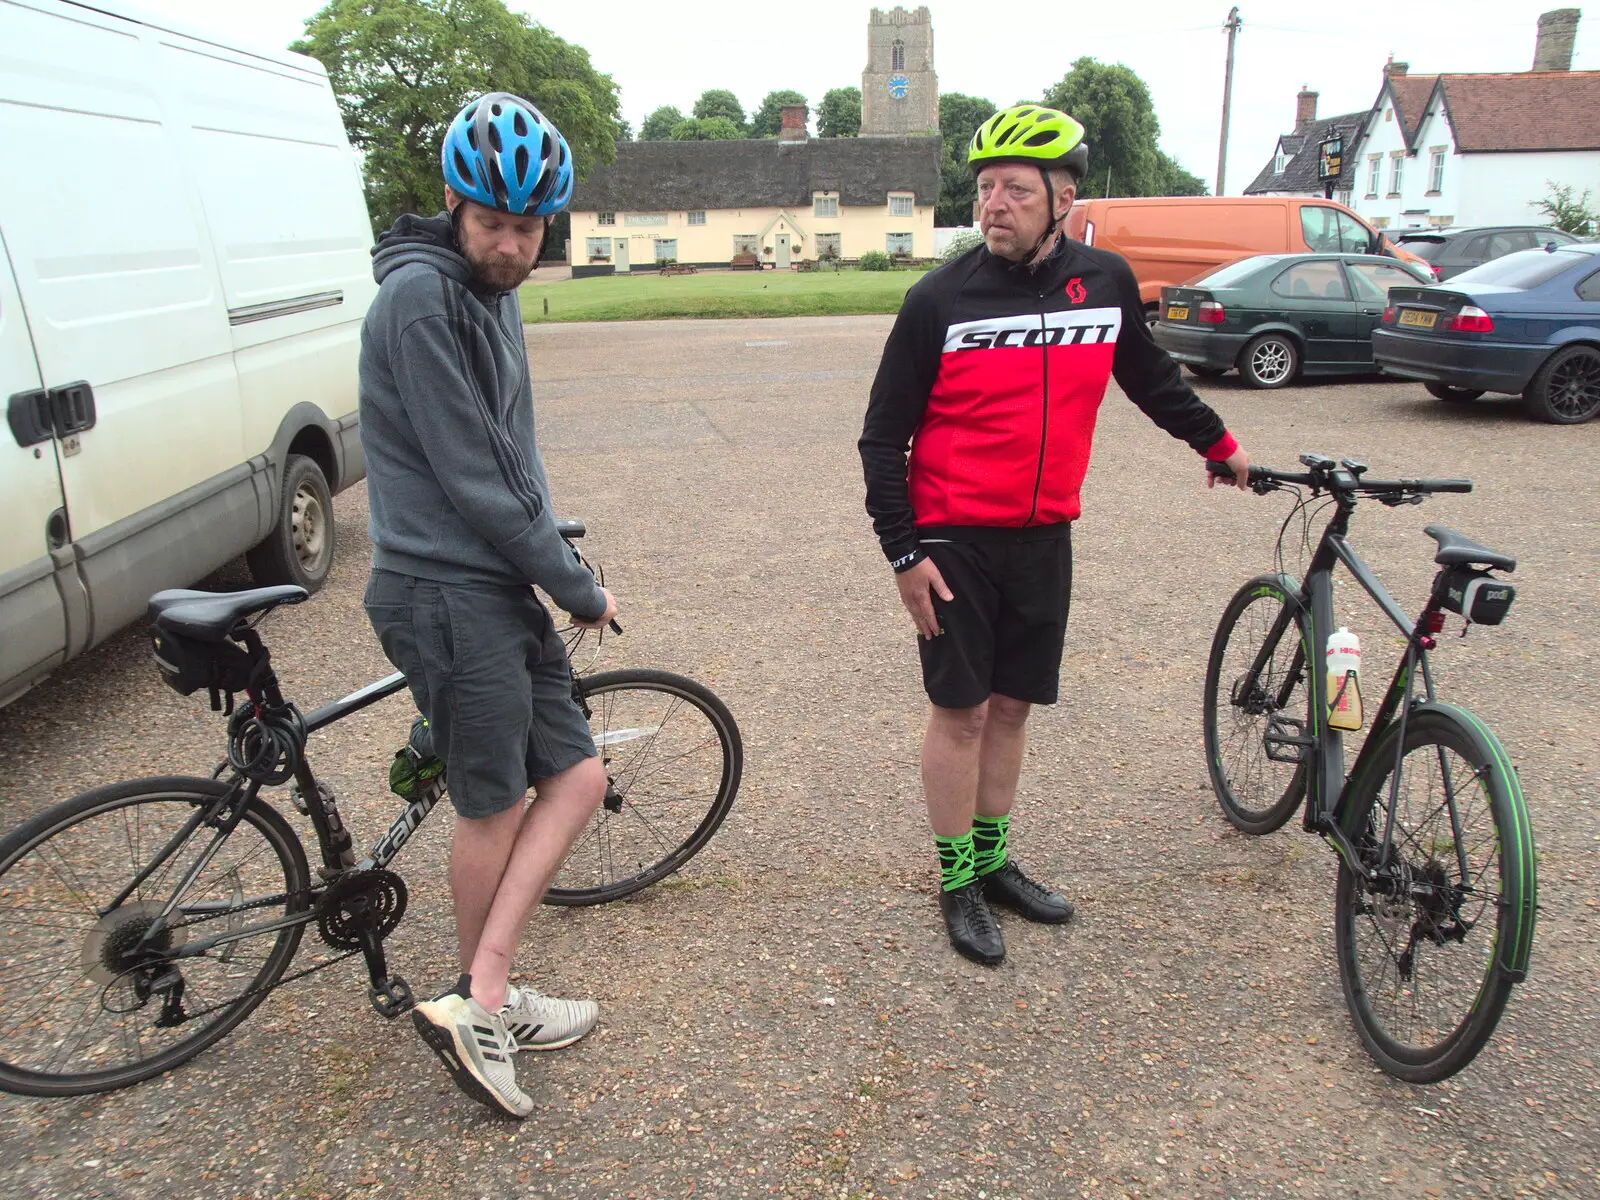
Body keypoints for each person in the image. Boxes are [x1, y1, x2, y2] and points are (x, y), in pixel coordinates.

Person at [858, 104, 1251, 967]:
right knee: (960, 714)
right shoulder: (940, 298)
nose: (994, 203)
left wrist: (1218, 445)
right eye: (986, 188)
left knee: (1014, 705)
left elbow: (1150, 380)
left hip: (1044, 534)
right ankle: (957, 877)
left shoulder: (1103, 284)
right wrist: (904, 553)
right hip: (953, 536)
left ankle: (996, 861)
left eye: (1016, 189)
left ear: (1063, 196)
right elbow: (882, 438)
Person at [358, 91, 616, 1118]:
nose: (511, 245)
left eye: (528, 227)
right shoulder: (421, 302)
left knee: (579, 776)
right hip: (442, 588)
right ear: (455, 205)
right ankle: (480, 1002)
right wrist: (576, 585)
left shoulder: (489, 294)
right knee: (493, 800)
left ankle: (486, 990)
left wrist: (549, 552)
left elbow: (515, 457)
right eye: (493, 224)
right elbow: (473, 476)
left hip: (497, 579)